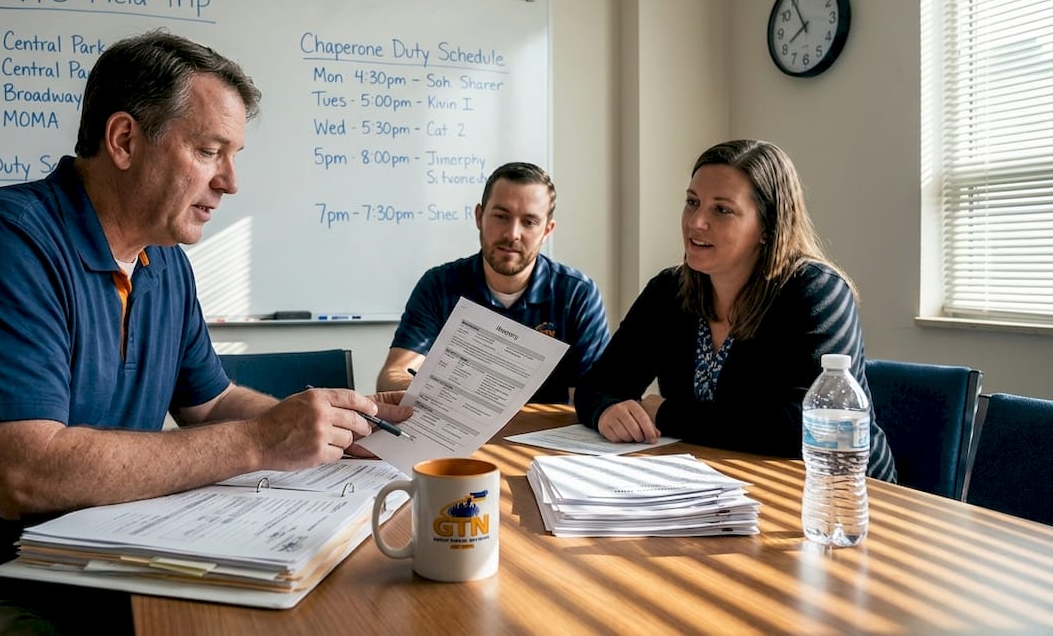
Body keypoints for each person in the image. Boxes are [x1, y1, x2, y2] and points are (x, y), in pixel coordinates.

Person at [0, 31, 410, 635]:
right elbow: (25, 474)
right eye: (209, 151)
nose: (230, 182)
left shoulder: (163, 260)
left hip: (75, 571)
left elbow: (211, 404)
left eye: (234, 156)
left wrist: (331, 433)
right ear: (124, 140)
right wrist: (262, 440)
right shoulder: (3, 242)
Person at [574, 139, 896, 481]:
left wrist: (666, 413)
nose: (696, 222)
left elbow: (805, 426)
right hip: (717, 484)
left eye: (721, 210)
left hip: (838, 495)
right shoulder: (669, 290)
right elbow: (598, 384)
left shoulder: (817, 291)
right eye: (692, 202)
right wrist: (605, 409)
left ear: (767, 227)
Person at [376, 162, 610, 404]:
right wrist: (429, 392)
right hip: (456, 432)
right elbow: (392, 376)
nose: (512, 234)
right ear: (479, 216)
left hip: (544, 437)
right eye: (501, 216)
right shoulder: (439, 285)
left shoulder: (577, 294)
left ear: (547, 230)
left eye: (529, 222)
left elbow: (596, 391)